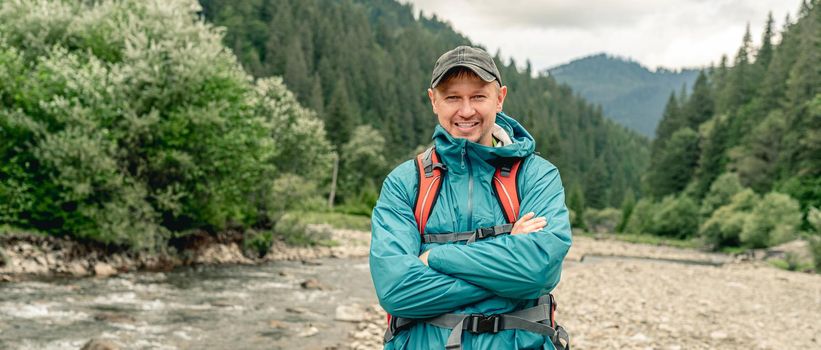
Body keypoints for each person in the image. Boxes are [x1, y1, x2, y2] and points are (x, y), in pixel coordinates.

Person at [369, 45, 572, 349]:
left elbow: (537, 269)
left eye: (478, 96)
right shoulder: (405, 183)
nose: (466, 111)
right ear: (433, 101)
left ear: (499, 98)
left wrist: (435, 257)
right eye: (453, 97)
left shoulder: (537, 176)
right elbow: (396, 290)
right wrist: (507, 264)